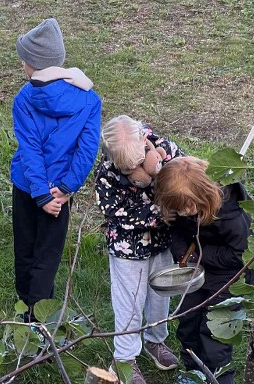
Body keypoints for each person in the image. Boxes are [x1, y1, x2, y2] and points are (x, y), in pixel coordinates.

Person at [10, 17, 101, 320]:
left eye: (24, 59)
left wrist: (41, 194)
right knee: (47, 256)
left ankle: (26, 313)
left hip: (28, 188)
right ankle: (40, 321)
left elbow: (30, 150)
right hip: (60, 194)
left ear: (33, 64)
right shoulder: (89, 99)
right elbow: (87, 150)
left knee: (25, 250)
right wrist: (64, 189)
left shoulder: (24, 99)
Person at [95, 116, 184, 384]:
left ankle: (155, 340)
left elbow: (184, 177)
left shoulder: (165, 149)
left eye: (137, 162)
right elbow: (116, 212)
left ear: (144, 140)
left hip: (161, 242)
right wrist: (158, 213)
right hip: (127, 247)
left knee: (160, 295)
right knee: (129, 303)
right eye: (126, 167)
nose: (133, 169)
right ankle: (124, 359)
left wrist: (163, 172)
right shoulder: (107, 173)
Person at [154, 157, 254, 384]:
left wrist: (200, 256)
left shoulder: (232, 216)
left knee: (214, 334)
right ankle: (194, 373)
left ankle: (218, 378)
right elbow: (178, 232)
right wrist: (183, 252)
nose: (182, 213)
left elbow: (242, 255)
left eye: (185, 208)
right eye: (177, 209)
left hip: (231, 278)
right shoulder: (185, 206)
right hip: (198, 272)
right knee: (188, 322)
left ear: (203, 195)